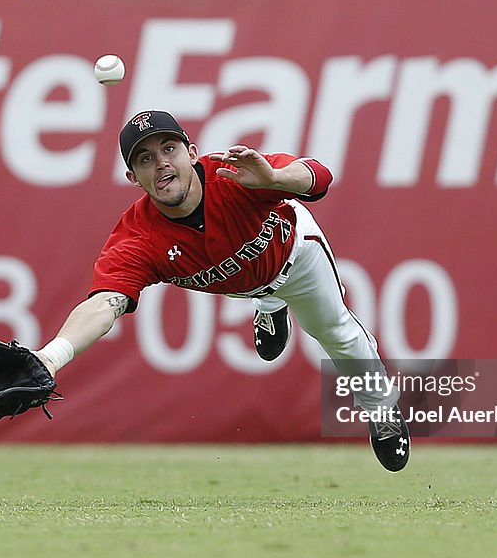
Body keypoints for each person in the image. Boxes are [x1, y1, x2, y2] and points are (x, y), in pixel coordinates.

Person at [34, 110, 409, 472]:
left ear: (192, 154)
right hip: (242, 279)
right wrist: (51, 358)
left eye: (169, 149)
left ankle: (382, 409)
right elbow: (103, 304)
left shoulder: (234, 174)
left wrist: (275, 179)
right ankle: (269, 302)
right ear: (134, 177)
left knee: (333, 330)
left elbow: (320, 176)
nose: (161, 163)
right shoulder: (138, 237)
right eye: (146, 158)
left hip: (296, 256)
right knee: (248, 278)